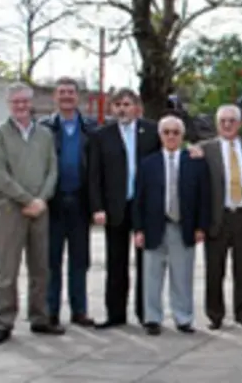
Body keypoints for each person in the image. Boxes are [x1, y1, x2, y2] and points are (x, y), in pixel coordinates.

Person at [0, 83, 64, 345]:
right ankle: (4, 322)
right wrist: (26, 199)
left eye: (24, 101)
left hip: (40, 209)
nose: (21, 106)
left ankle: (39, 318)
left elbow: (52, 171)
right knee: (8, 270)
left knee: (40, 268)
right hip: (11, 208)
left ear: (31, 103)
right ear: (9, 104)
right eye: (16, 102)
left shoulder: (44, 134)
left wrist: (41, 199)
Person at [88, 89, 161, 329]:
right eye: (117, 104)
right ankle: (116, 314)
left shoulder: (152, 132)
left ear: (137, 107)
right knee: (116, 262)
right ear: (111, 108)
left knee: (146, 263)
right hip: (115, 207)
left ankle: (146, 314)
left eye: (127, 104)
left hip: (144, 207)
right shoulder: (101, 136)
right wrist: (97, 207)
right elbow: (94, 175)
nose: (122, 109)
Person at [133, 116, 210, 335]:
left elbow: (203, 198)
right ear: (160, 135)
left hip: (182, 226)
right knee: (151, 275)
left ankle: (183, 318)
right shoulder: (149, 163)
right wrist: (138, 229)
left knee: (182, 275)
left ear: (182, 136)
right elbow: (139, 199)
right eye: (166, 132)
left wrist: (200, 227)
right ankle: (152, 318)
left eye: (175, 132)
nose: (171, 136)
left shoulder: (194, 162)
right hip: (154, 226)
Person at [39, 77, 98, 327]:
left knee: (79, 260)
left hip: (80, 203)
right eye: (61, 92)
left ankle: (79, 310)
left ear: (78, 97)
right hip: (53, 203)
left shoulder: (90, 128)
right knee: (51, 261)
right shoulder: (44, 128)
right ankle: (50, 310)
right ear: (55, 96)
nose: (66, 96)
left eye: (70, 92)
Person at [201, 105, 242, 330]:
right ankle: (215, 314)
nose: (227, 124)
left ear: (240, 123)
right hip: (218, 216)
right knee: (215, 269)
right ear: (217, 124)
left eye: (231, 120)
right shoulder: (206, 149)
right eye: (222, 120)